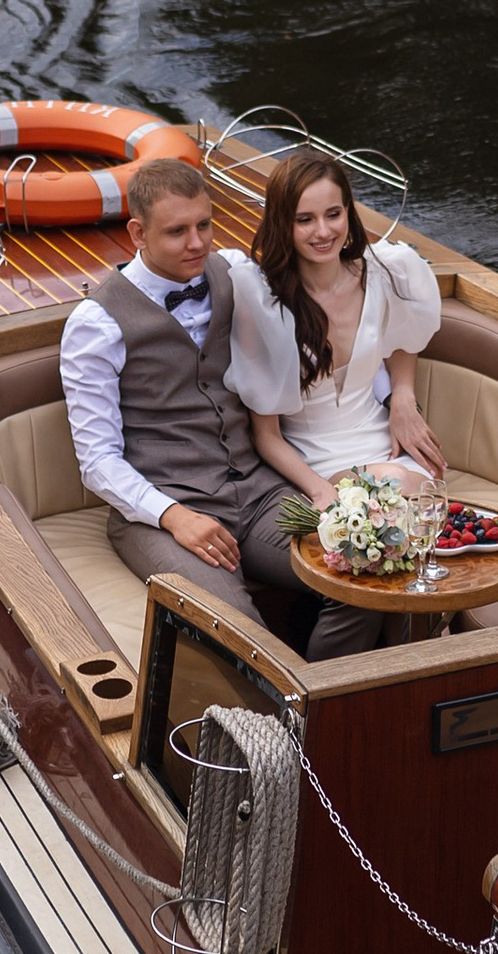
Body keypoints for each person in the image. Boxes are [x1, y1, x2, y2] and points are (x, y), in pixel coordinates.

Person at [58, 155, 355, 653]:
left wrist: (397, 393)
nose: (197, 243)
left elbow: (323, 286)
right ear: (138, 233)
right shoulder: (95, 325)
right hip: (164, 510)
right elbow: (97, 461)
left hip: (260, 494)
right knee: (243, 638)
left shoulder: (235, 272)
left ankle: (331, 690)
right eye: (177, 232)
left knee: (361, 574)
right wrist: (174, 516)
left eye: (204, 225)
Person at [224, 150, 445, 585]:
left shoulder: (385, 273)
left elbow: (406, 337)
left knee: (423, 496)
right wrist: (319, 490)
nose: (323, 232)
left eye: (333, 214)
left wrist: (403, 398)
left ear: (348, 213)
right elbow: (266, 436)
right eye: (305, 219)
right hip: (316, 459)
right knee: (398, 498)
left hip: (384, 441)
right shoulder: (264, 302)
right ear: (283, 223)